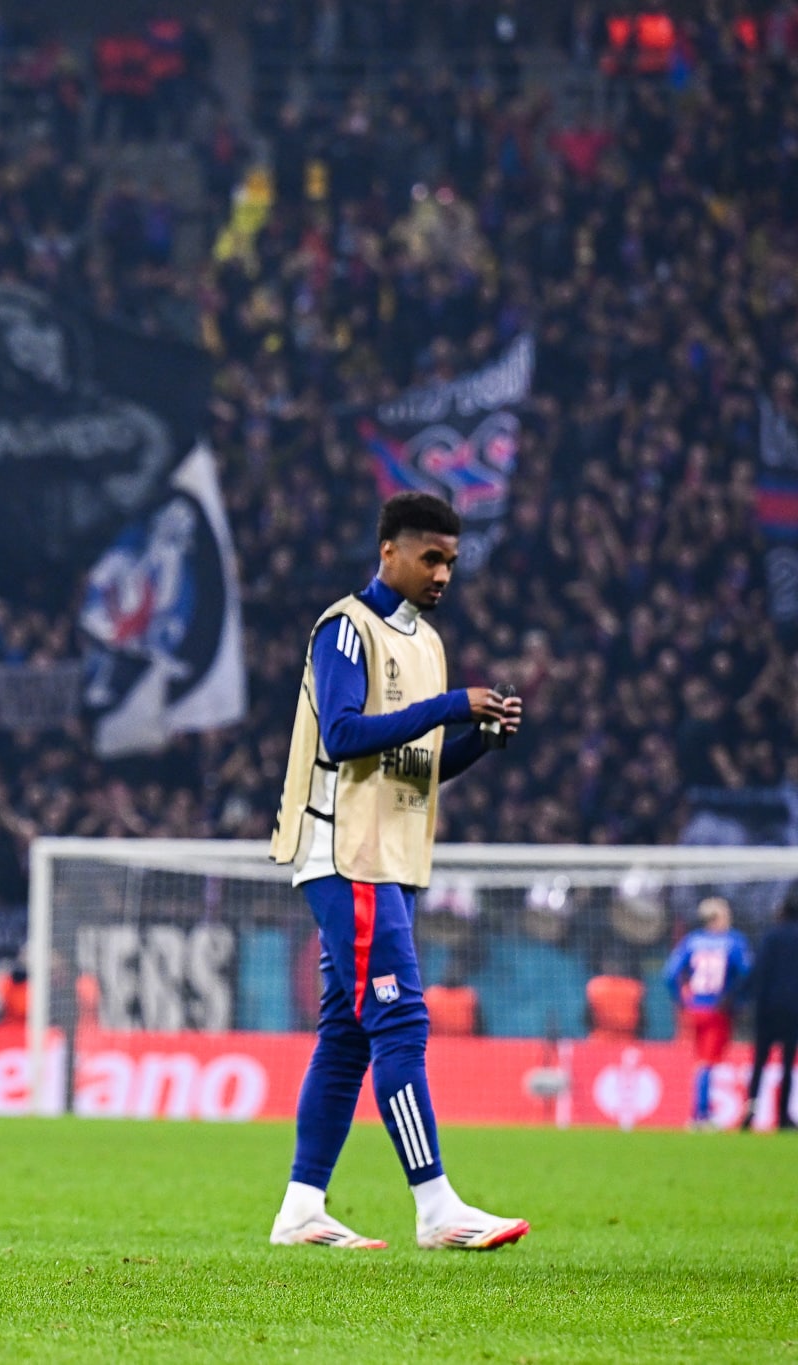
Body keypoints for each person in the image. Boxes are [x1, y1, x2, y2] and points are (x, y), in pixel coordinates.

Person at [267, 492, 529, 1252]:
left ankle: (301, 1207)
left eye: (451, 560)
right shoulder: (345, 629)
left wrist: (479, 739)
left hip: (392, 857)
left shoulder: (428, 642)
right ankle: (436, 1204)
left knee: (348, 1036)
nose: (443, 572)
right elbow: (347, 734)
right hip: (346, 854)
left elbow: (413, 768)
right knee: (401, 1021)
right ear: (389, 551)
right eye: (430, 557)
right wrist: (451, 703)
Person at [663, 897, 752, 1131]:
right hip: (718, 1008)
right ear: (718, 918)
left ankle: (702, 1112)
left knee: (702, 1059)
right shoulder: (734, 941)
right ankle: (700, 1114)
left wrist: (682, 1000)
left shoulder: (691, 941)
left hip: (695, 1008)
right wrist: (738, 999)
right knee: (708, 1061)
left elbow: (670, 975)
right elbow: (747, 973)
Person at [745, 894, 798, 1131]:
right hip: (794, 1009)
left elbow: (760, 971)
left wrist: (744, 999)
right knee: (787, 1063)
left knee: (760, 1063)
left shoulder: (771, 936)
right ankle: (783, 1116)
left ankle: (750, 1113)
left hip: (767, 1009)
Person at [586, 957, 645, 1043]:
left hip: (602, 1040)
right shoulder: (634, 987)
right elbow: (642, 1021)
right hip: (627, 1041)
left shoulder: (595, 986)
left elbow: (587, 1018)